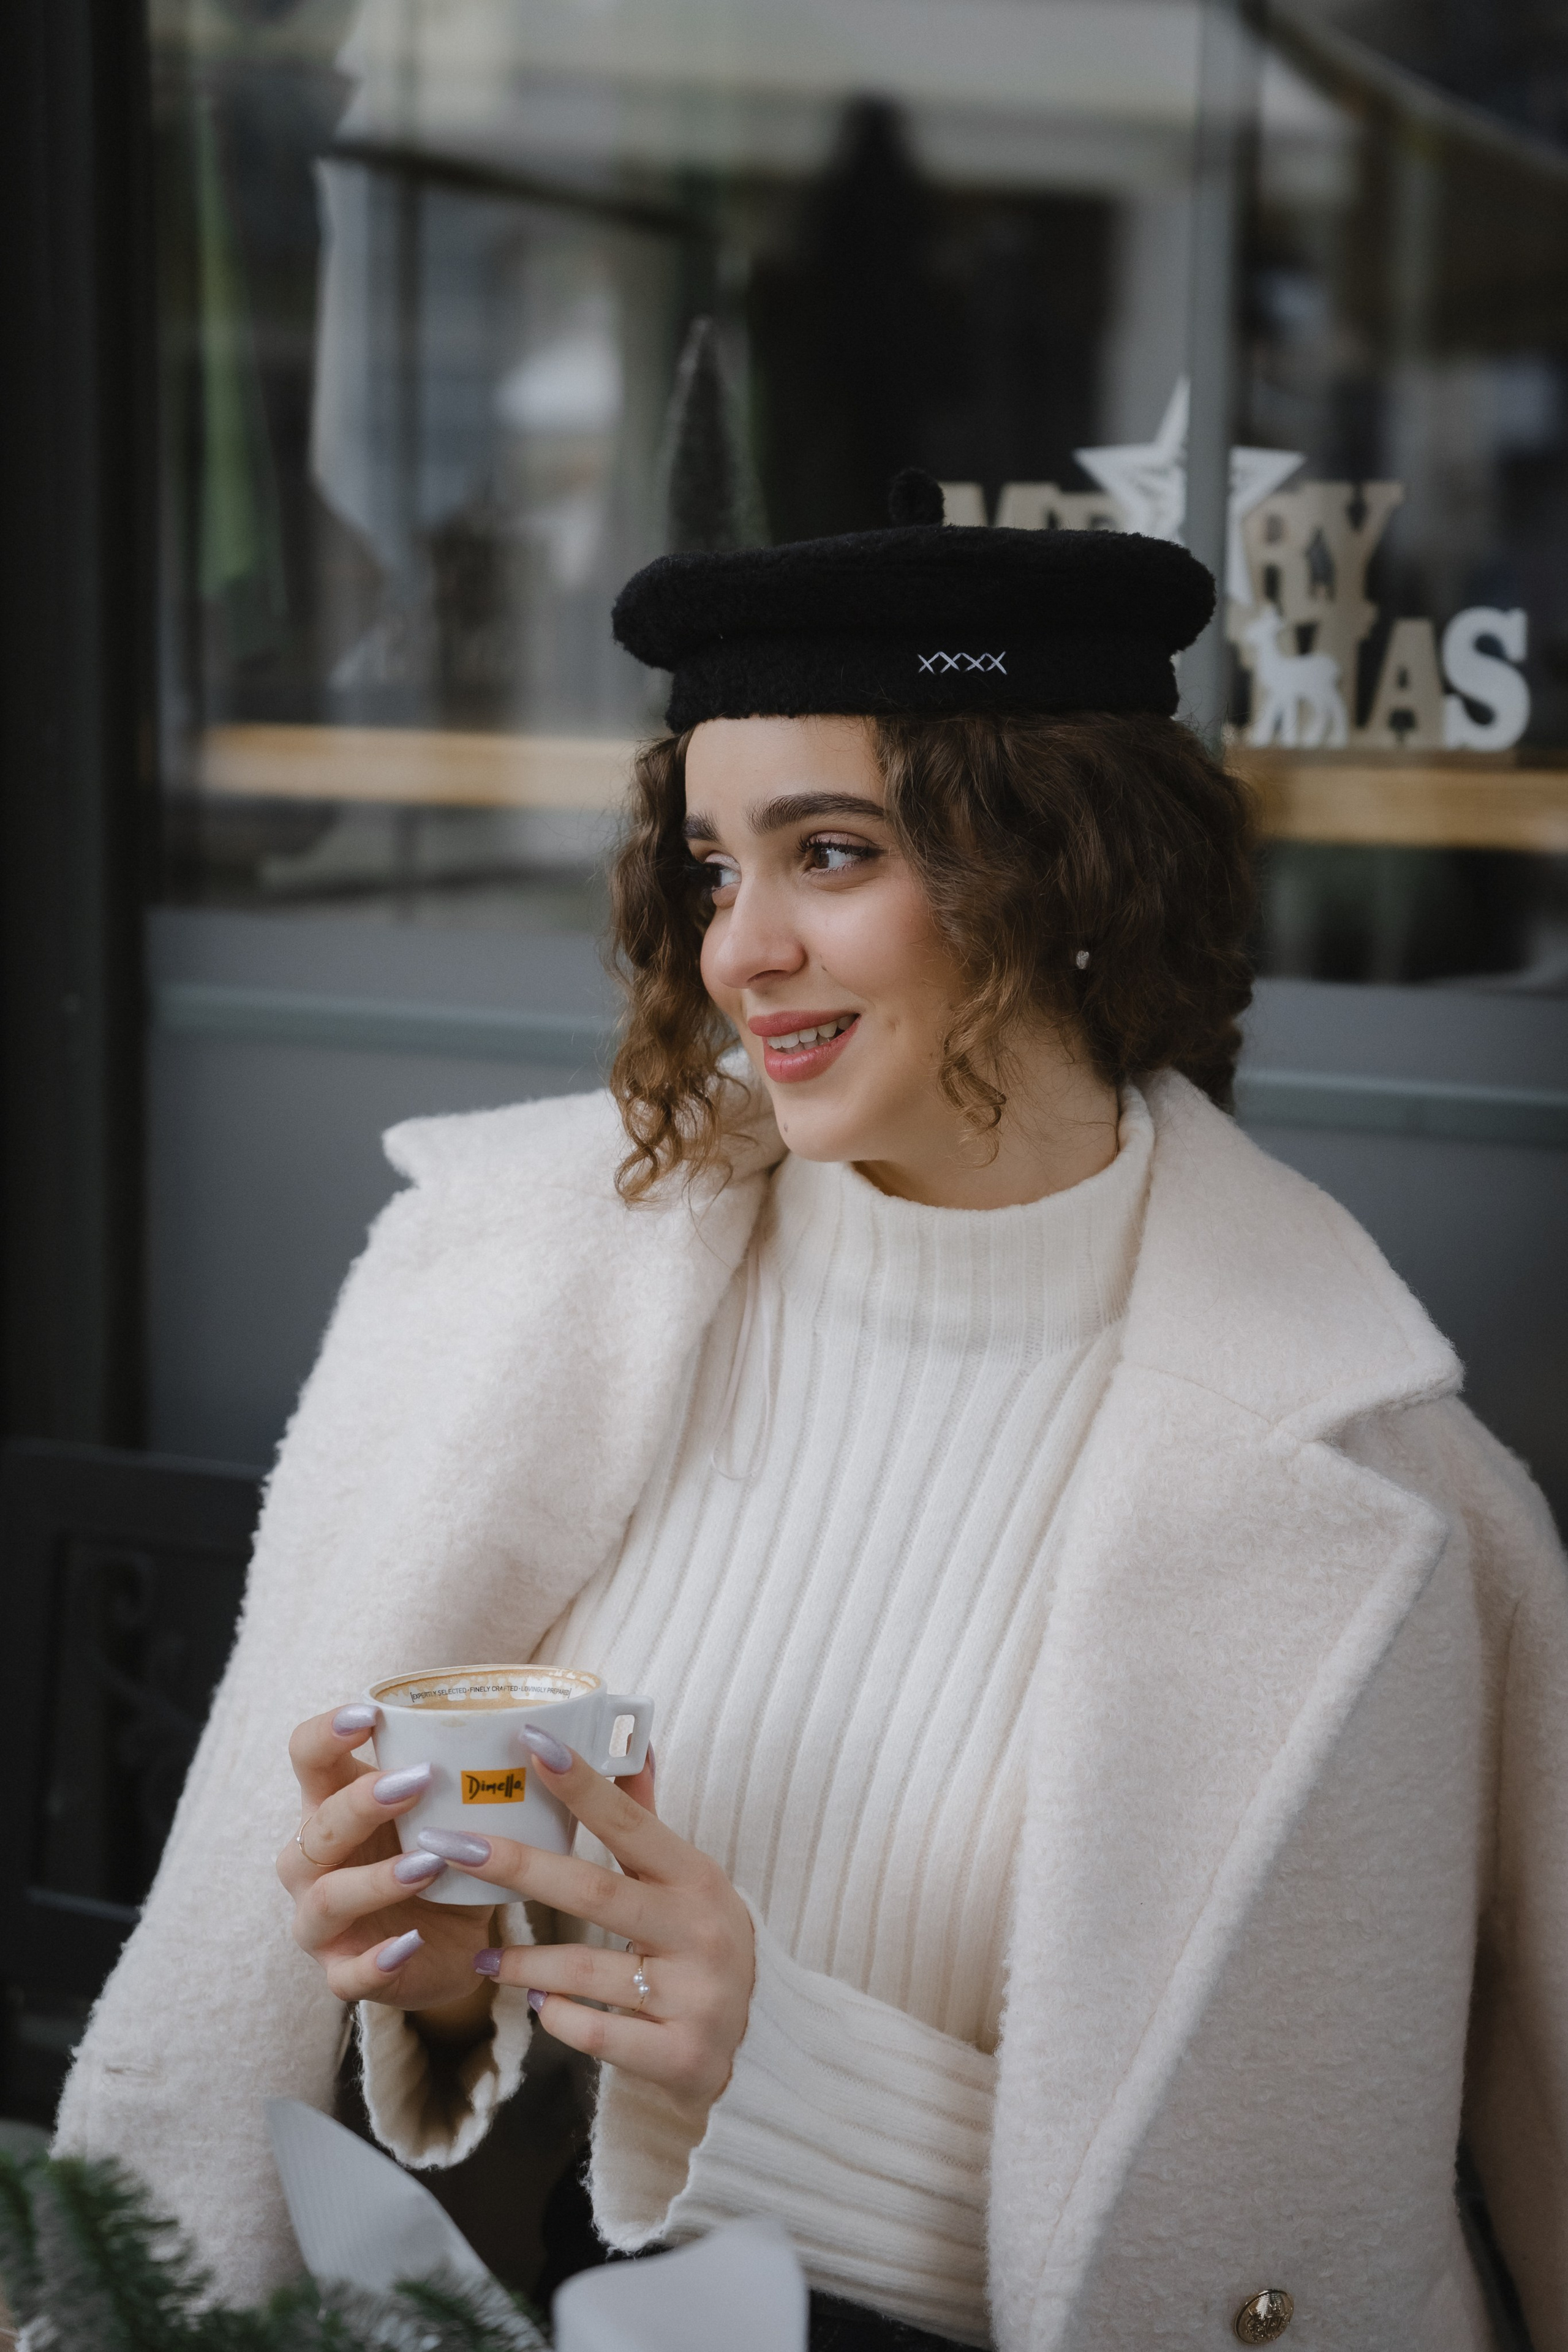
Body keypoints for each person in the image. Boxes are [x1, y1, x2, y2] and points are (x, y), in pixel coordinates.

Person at [56, 477, 1568, 2352]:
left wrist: (776, 2065)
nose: (737, 951)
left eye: (830, 854)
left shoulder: (1391, 1504)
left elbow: (1278, 2244)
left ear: (1072, 873)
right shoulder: (496, 1297)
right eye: (714, 868)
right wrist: (446, 1991)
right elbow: (391, 2159)